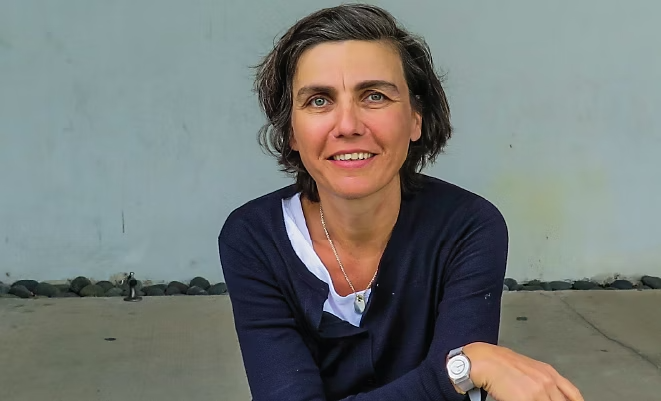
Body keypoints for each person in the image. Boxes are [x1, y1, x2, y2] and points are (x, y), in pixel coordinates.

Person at [218, 4, 584, 401]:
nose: (348, 126)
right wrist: (465, 368)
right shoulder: (254, 237)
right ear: (290, 130)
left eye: (374, 96)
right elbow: (459, 381)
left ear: (415, 118)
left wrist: (452, 379)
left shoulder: (468, 226)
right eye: (319, 101)